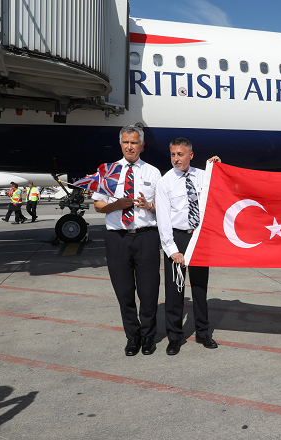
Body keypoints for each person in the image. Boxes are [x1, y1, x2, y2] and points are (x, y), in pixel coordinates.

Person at [93, 125, 162, 356]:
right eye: (125, 142)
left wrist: (149, 206)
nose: (129, 147)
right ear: (120, 144)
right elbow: (98, 205)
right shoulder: (108, 170)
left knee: (149, 291)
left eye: (134, 142)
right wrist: (117, 205)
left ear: (142, 145)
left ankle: (149, 336)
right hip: (117, 238)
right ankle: (133, 337)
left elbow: (163, 209)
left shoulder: (153, 172)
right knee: (124, 292)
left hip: (146, 237)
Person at [155, 138, 221, 355]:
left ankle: (203, 332)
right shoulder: (165, 182)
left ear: (190, 155)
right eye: (173, 154)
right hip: (178, 239)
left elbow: (222, 188)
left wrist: (217, 167)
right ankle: (174, 337)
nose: (176, 159)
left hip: (200, 239)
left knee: (200, 289)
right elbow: (163, 218)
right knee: (175, 290)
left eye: (180, 154)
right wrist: (172, 249)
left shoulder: (203, 175)